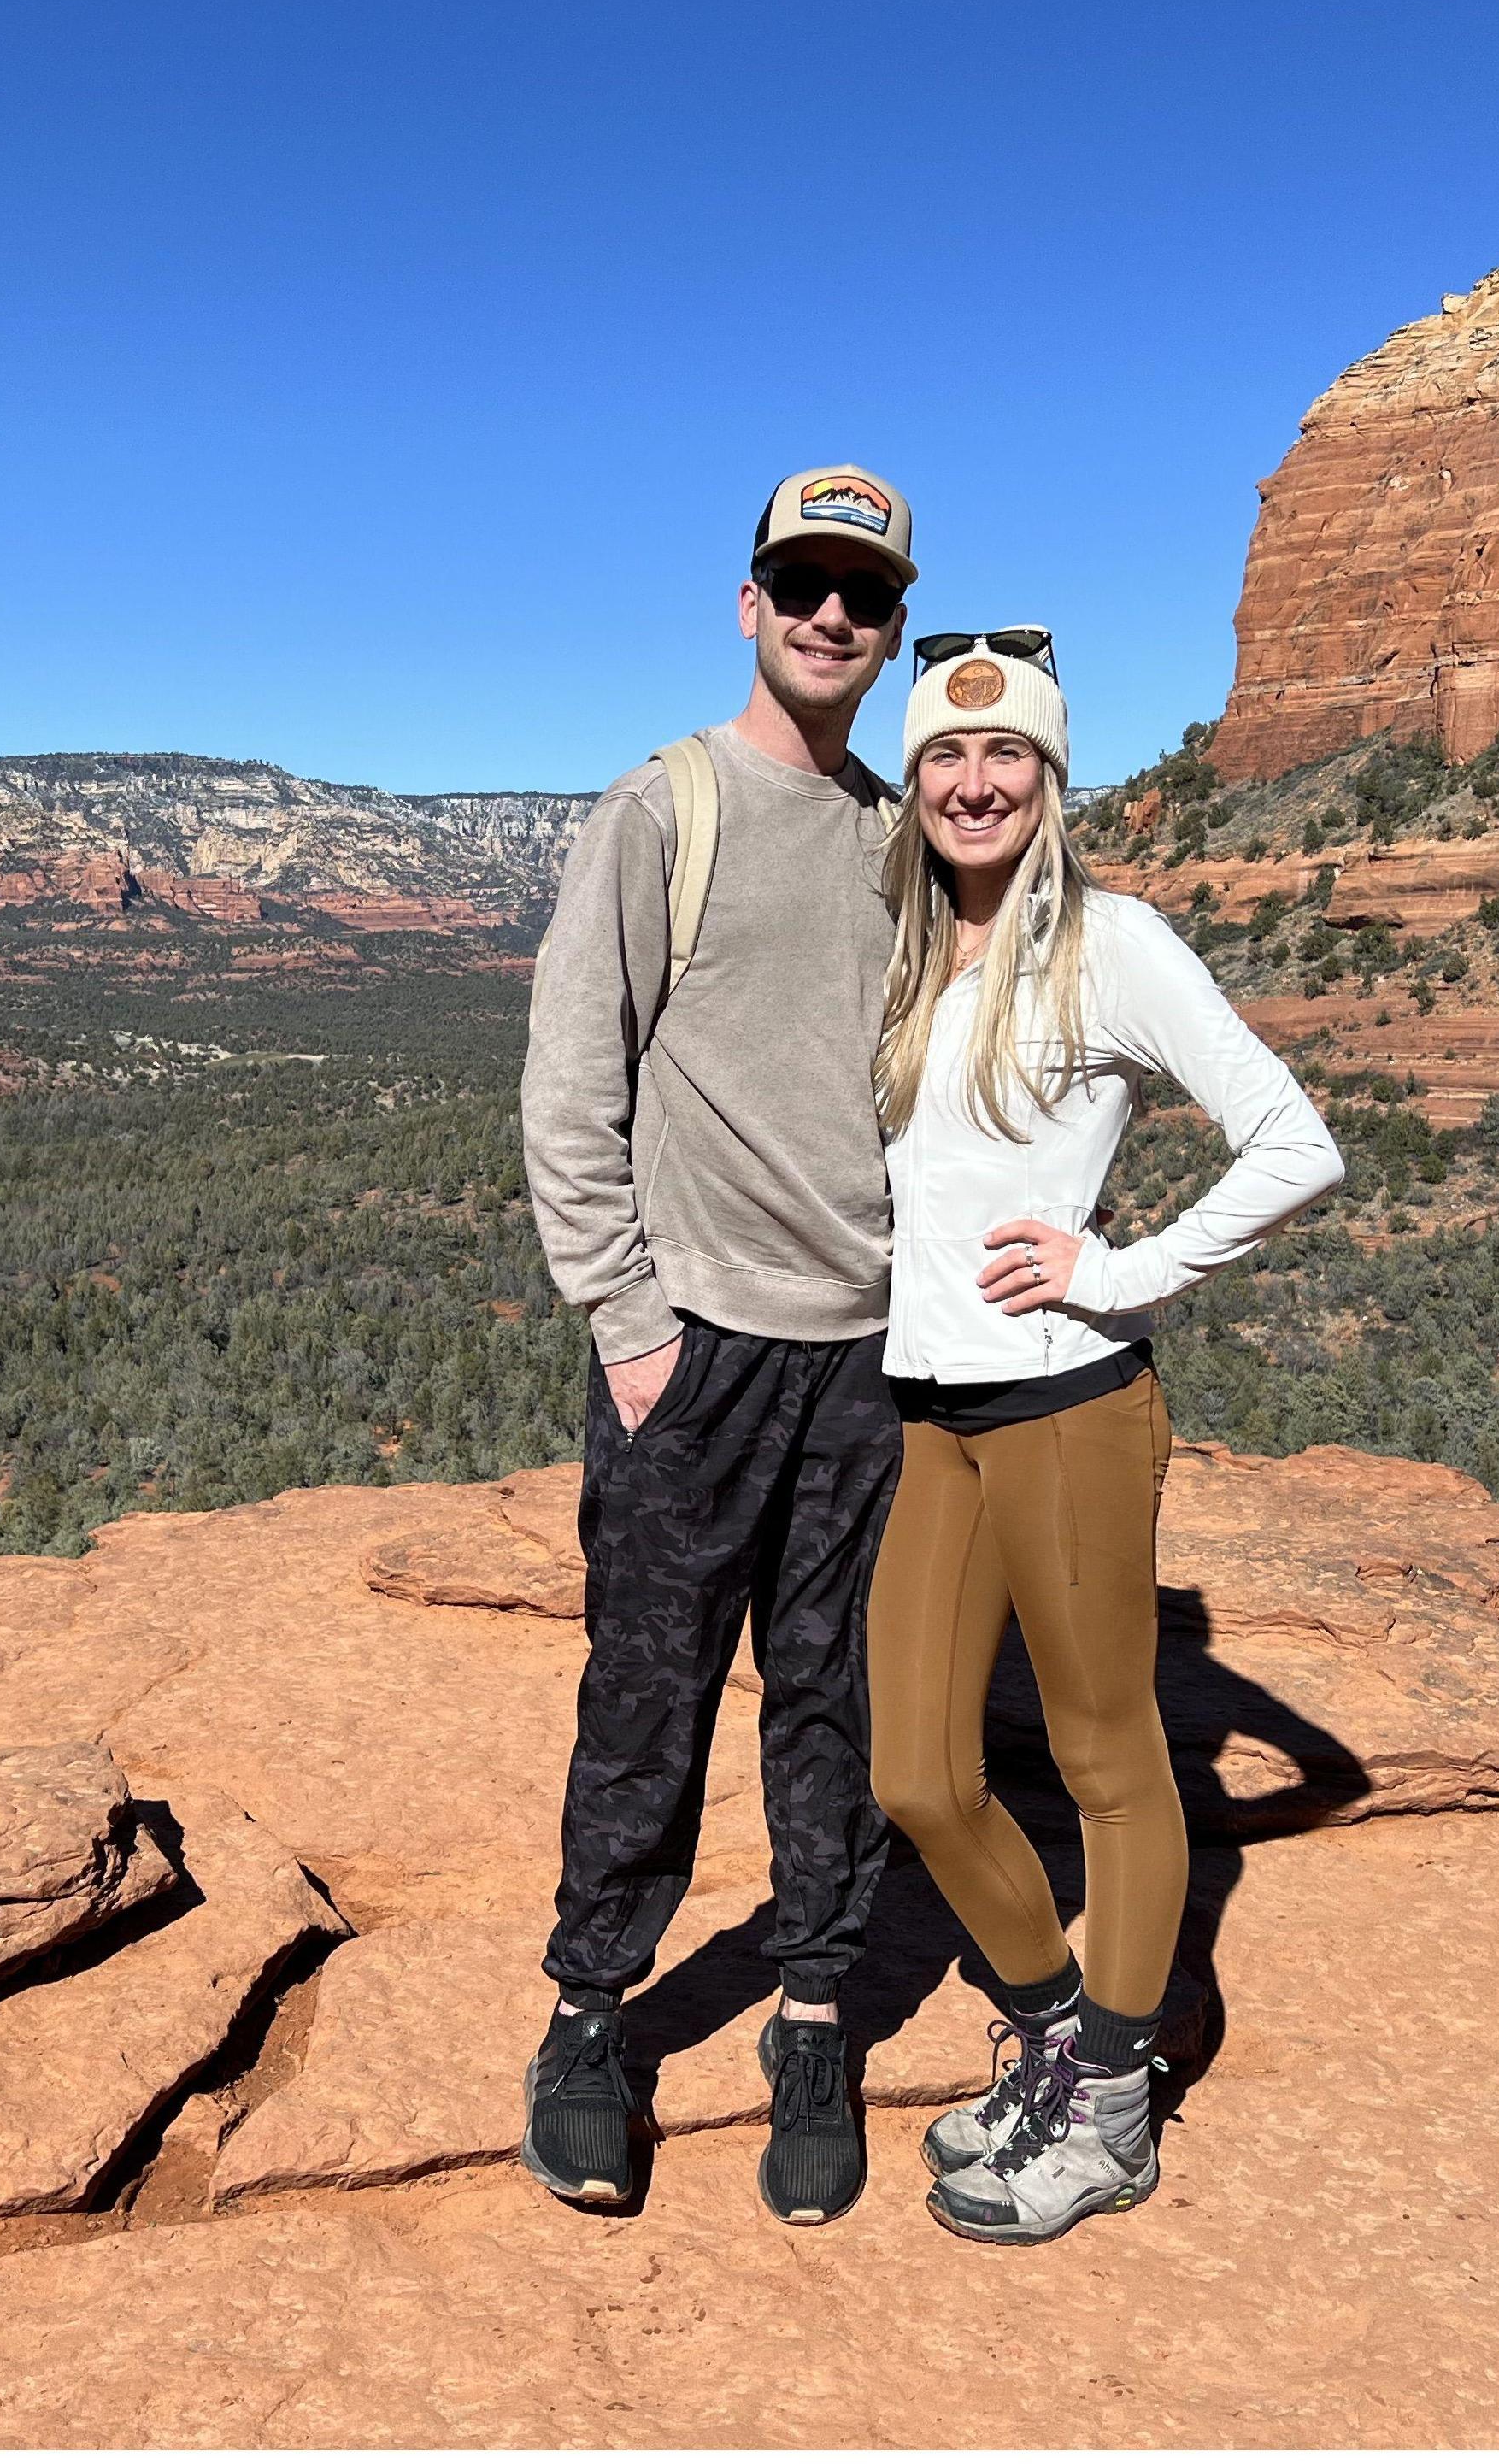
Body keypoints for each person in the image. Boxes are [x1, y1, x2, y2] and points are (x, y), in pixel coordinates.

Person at [863, 629, 1343, 2246]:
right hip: (931, 1416)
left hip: (1070, 1407)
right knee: (921, 1771)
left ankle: (1115, 2105)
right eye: (946, 757)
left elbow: (1295, 1141)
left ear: (1053, 781)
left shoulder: (1115, 945)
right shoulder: (911, 947)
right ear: (915, 781)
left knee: (1103, 1757)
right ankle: (1062, 2028)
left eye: (1009, 761)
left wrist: (1124, 1272)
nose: (977, 783)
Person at [516, 464, 915, 2224]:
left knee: (839, 1700)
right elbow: (567, 1085)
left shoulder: (907, 831)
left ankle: (812, 2013)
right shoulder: (661, 812)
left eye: (869, 595)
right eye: (806, 583)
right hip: (698, 1355)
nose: (837, 616)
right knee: (650, 1696)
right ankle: (592, 2019)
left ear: (896, 629)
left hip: (869, 1357)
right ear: (749, 603)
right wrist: (627, 1321)